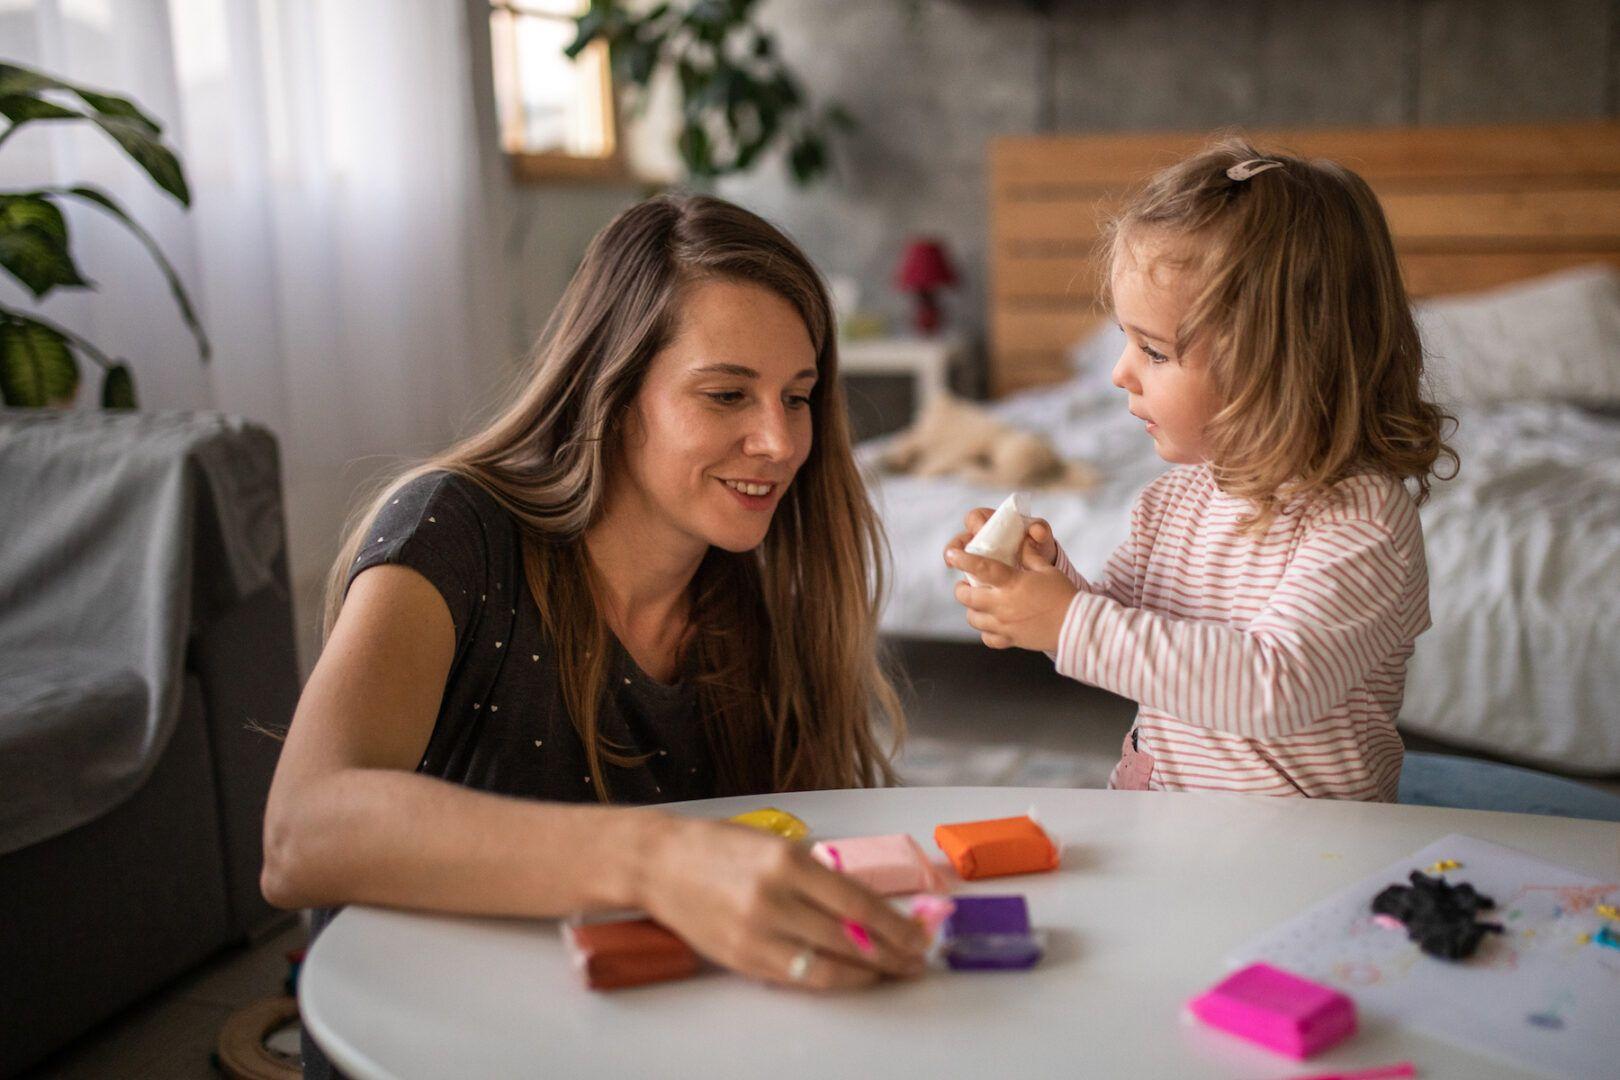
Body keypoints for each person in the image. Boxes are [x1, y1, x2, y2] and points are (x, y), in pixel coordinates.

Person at [264, 195, 931, 1075]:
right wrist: (658, 860)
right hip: (427, 1041)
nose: (778, 441)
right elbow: (301, 834)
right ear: (611, 392)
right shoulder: (454, 528)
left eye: (798, 398)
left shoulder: (763, 590)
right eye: (727, 393)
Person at [944, 139, 1457, 800]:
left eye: (1154, 351)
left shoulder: (1362, 523)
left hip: (1306, 853)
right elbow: (1131, 640)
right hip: (1168, 822)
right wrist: (1043, 589)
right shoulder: (1174, 503)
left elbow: (1275, 686)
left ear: (1277, 364)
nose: (1119, 373)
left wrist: (1070, 620)